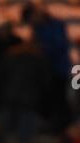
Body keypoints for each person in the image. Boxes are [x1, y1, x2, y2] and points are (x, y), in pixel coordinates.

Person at [21, 1, 71, 130]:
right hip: (45, 71)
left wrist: (41, 48)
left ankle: (61, 129)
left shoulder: (56, 25)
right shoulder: (38, 28)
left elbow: (59, 45)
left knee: (59, 100)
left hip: (58, 69)